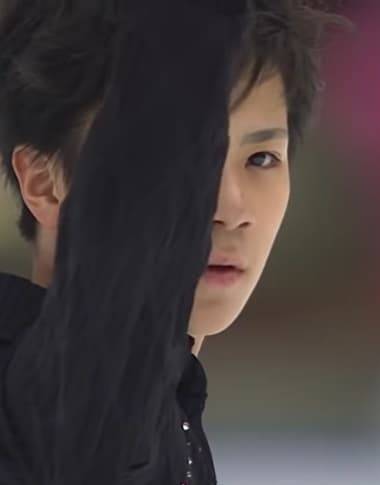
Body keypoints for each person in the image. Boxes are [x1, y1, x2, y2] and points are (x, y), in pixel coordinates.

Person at [0, 0, 342, 483]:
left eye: (262, 158)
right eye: (186, 160)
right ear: (43, 181)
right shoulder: (60, 414)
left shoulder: (168, 419)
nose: (232, 208)